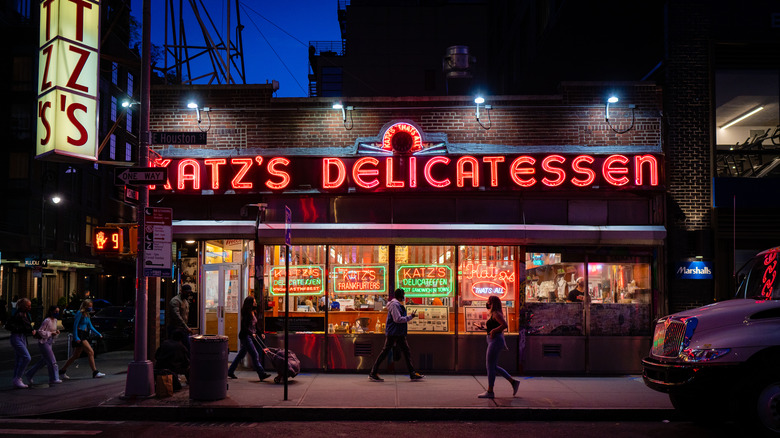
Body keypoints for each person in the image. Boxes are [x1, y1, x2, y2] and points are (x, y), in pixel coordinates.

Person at [368, 288, 424, 382]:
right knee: (387, 352)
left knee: (405, 352)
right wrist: (410, 317)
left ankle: (412, 373)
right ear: (400, 296)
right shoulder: (394, 305)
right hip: (394, 332)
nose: (404, 296)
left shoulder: (396, 304)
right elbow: (397, 319)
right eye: (404, 295)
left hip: (397, 332)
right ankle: (373, 373)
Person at [478, 295, 520, 398]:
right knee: (493, 366)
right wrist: (484, 329)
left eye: (489, 302)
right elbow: (494, 327)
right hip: (493, 340)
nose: (487, 304)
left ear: (492, 303)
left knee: (490, 366)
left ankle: (490, 391)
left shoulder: (496, 313)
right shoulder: (494, 314)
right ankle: (513, 382)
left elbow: (504, 325)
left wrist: (494, 330)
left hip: (495, 341)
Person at [228, 296, 271, 381]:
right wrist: (252, 334)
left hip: (250, 336)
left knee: (241, 355)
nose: (256, 303)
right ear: (250, 303)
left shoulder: (253, 312)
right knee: (255, 354)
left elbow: (255, 326)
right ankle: (261, 374)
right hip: (246, 336)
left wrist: (260, 333)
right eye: (254, 302)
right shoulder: (247, 313)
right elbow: (245, 327)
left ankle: (230, 371)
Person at [60, 299, 105, 379]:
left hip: (84, 334)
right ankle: (95, 372)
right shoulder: (79, 313)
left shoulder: (87, 315)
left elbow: (90, 326)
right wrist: (76, 337)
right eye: (89, 306)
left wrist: (98, 334)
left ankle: (62, 371)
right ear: (85, 306)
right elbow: (75, 326)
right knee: (91, 352)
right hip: (80, 335)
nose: (91, 308)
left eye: (91, 306)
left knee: (75, 355)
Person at [25, 305, 63, 386]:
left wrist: (56, 333)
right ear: (51, 312)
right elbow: (40, 331)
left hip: (49, 341)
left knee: (44, 361)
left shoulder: (55, 320)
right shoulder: (47, 320)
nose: (57, 313)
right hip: (44, 342)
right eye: (56, 311)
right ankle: (54, 378)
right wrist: (50, 333)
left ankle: (29, 373)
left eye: (58, 312)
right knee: (52, 360)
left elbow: (53, 333)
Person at [7, 298, 37, 388]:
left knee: (19, 359)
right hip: (17, 337)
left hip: (21, 337)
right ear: (22, 306)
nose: (30, 307)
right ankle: (18, 378)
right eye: (28, 306)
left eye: (30, 306)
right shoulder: (19, 314)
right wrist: (31, 330)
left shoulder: (24, 314)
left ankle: (16, 379)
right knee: (26, 357)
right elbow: (25, 326)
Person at [168, 284, 194, 350]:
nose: (188, 294)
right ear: (181, 291)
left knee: (186, 347)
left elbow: (185, 315)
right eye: (186, 292)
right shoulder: (175, 301)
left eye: (189, 293)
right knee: (177, 347)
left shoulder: (185, 301)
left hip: (183, 328)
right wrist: (186, 327)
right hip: (176, 328)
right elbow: (177, 316)